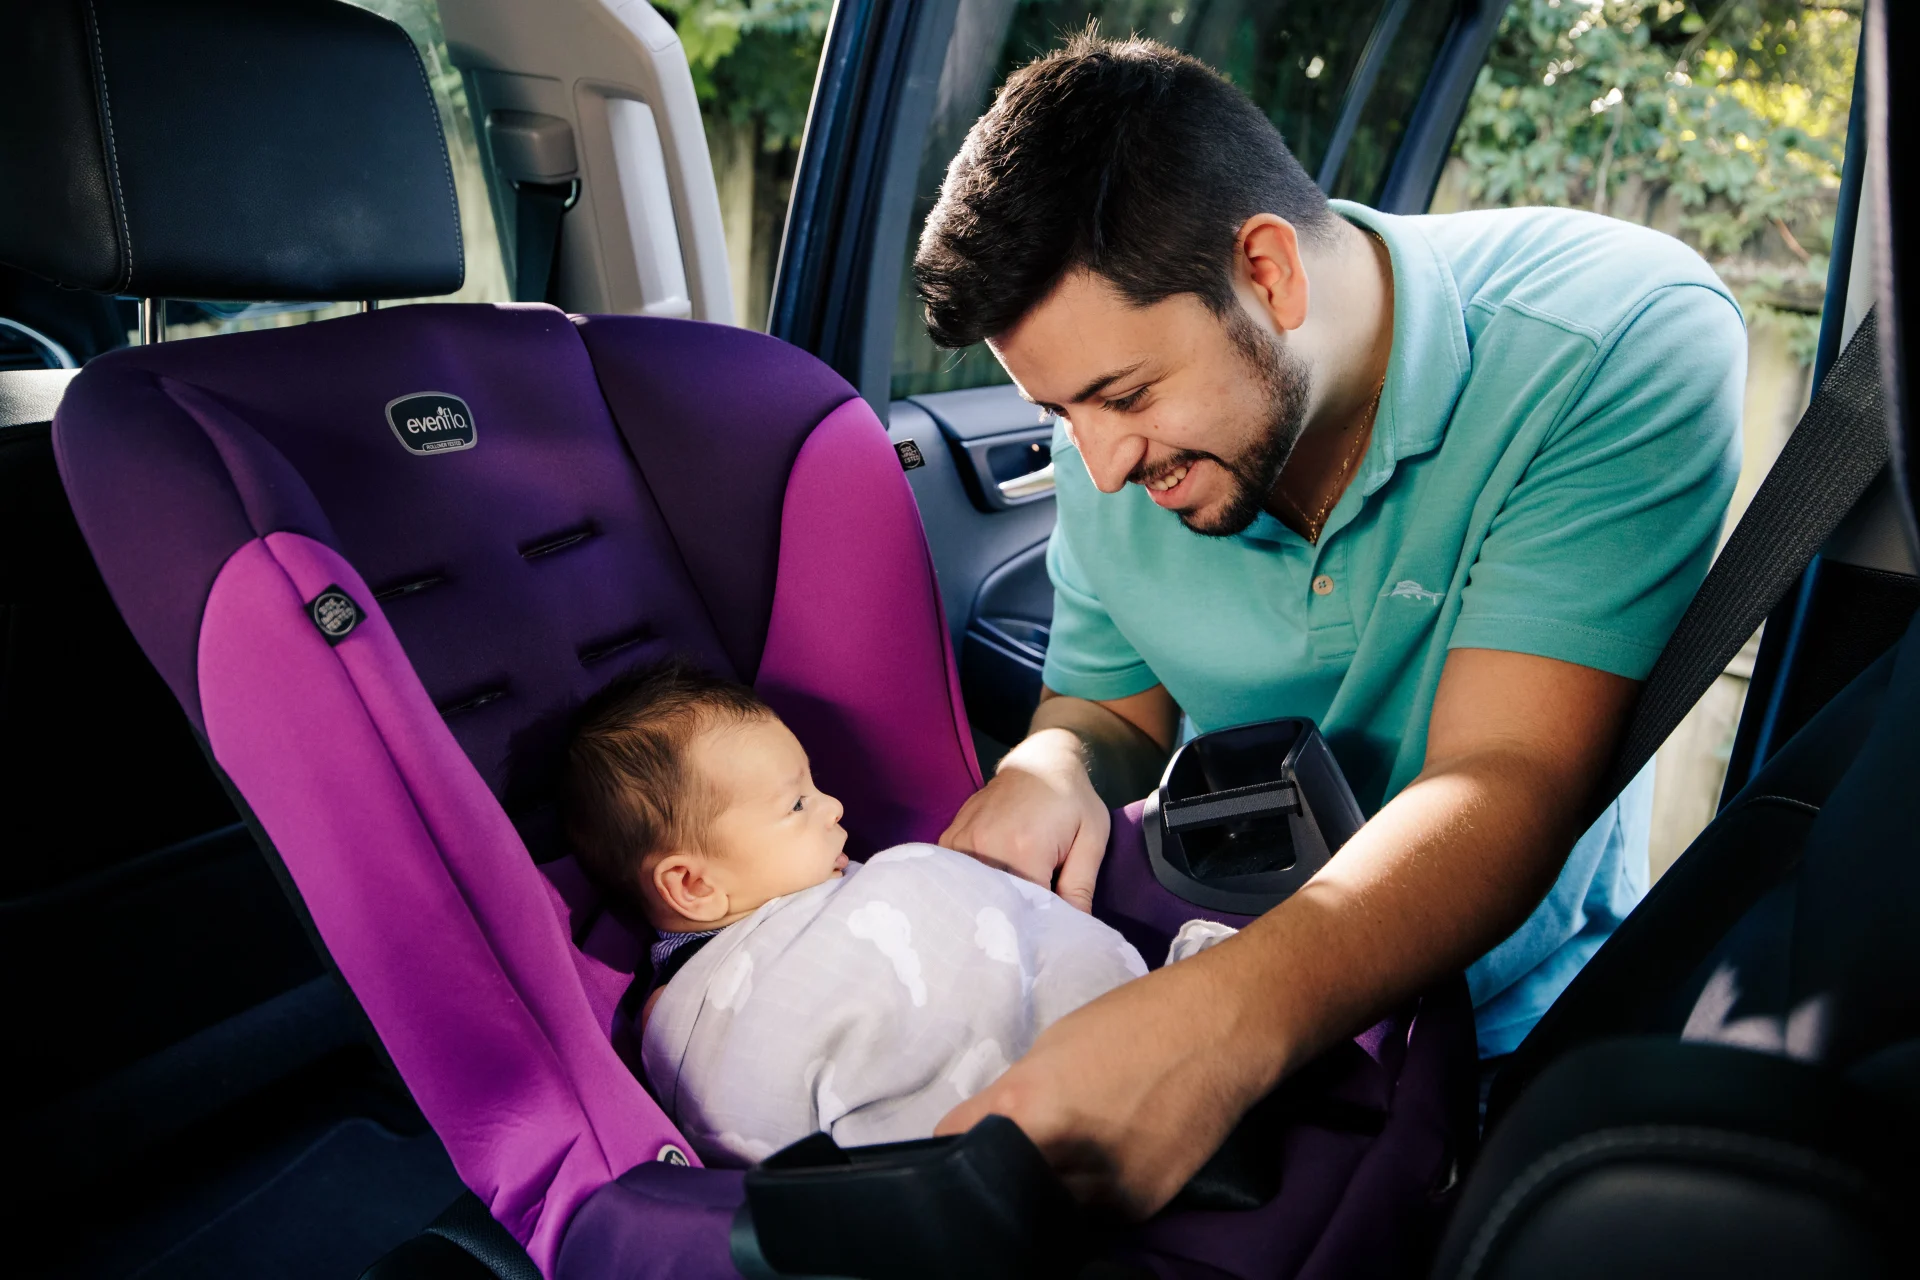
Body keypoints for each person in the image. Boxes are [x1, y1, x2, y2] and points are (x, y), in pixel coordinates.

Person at [915, 33, 1744, 1214]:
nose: (1095, 465)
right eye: (1057, 410)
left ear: (1268, 271)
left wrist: (1220, 1028)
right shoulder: (1108, 453)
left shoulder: (1613, 338)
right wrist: (1053, 766)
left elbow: (1503, 770)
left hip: (1519, 1033)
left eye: (1124, 395)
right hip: (1226, 974)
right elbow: (1104, 705)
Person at [560, 660, 1220, 1166]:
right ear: (693, 887)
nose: (833, 807)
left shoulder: (850, 887)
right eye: (796, 806)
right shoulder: (675, 1018)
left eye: (814, 785)